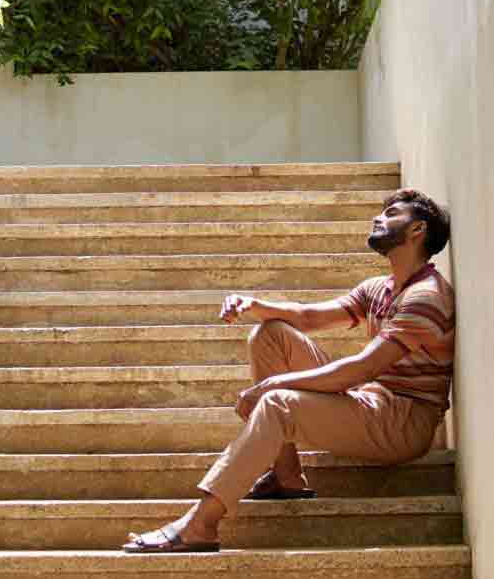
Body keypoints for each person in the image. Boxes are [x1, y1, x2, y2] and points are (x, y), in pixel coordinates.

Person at [123, 188, 454, 553]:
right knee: (271, 335)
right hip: (372, 401)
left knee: (278, 403)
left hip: (404, 423)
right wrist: (255, 305)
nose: (378, 218)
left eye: (391, 214)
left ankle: (201, 526)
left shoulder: (426, 297)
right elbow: (309, 317)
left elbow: (361, 368)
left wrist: (272, 385)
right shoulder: (380, 288)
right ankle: (287, 475)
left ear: (417, 230)